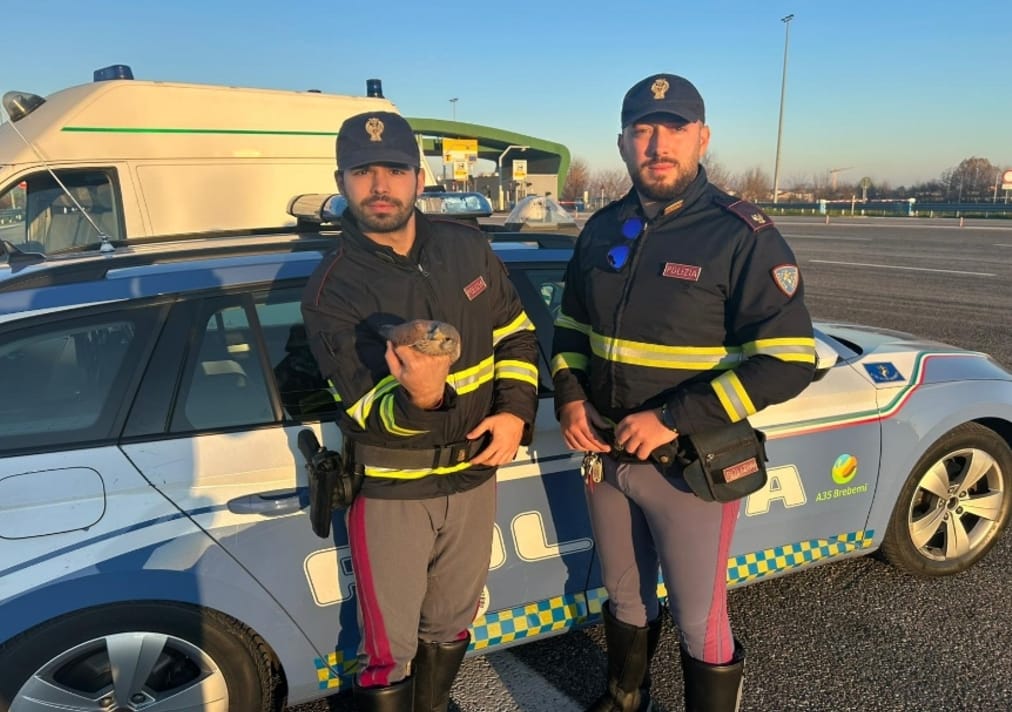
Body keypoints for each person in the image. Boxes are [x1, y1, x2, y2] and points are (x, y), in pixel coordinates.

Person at [550, 74, 816, 712]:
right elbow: (568, 329)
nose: (657, 143)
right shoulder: (601, 229)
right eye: (642, 129)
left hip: (691, 465)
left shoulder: (740, 235)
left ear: (702, 138)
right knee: (624, 598)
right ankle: (624, 700)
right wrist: (568, 394)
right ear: (622, 143)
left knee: (701, 620)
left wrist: (671, 417)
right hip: (608, 457)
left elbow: (789, 362)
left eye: (673, 128)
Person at [301, 111, 539, 712]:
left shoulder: (467, 246)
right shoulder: (334, 288)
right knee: (389, 645)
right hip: (393, 490)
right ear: (341, 179)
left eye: (395, 170)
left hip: (475, 474)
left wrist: (513, 413)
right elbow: (365, 407)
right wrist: (423, 397)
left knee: (455, 621)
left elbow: (516, 333)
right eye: (363, 172)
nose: (380, 185)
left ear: (418, 177)